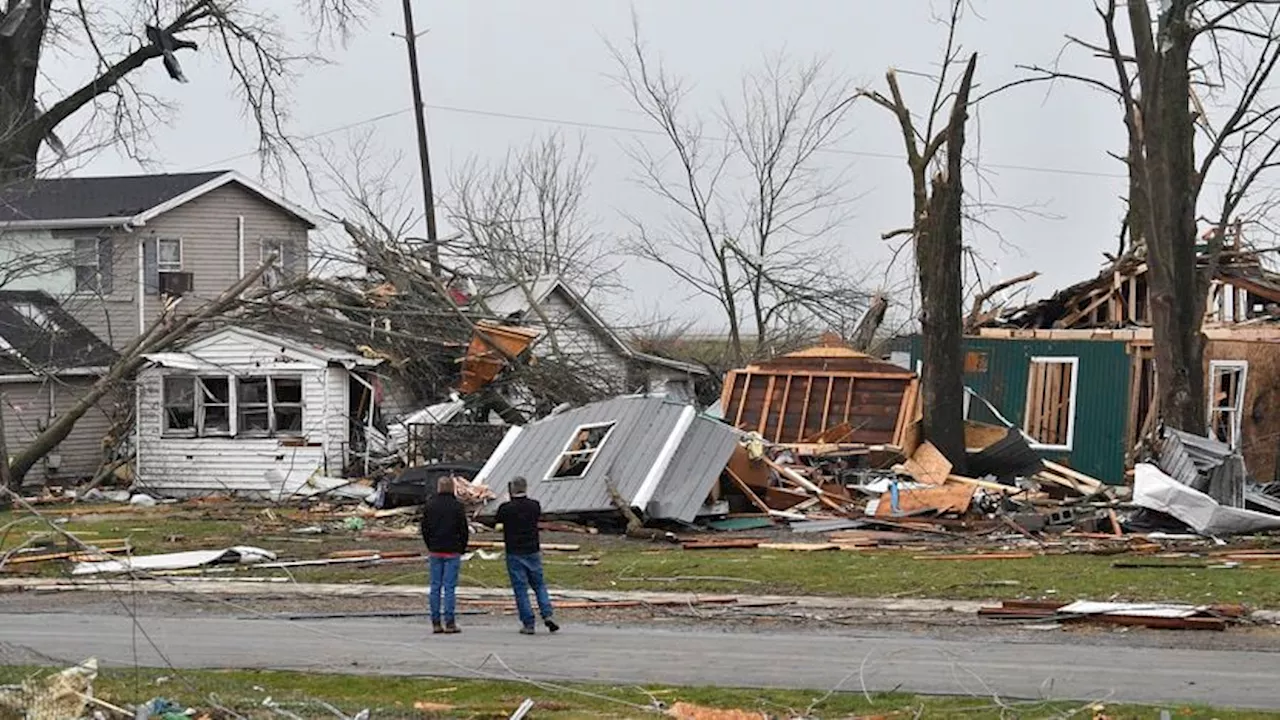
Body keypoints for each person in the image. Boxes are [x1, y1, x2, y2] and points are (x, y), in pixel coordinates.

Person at [495, 476, 559, 635]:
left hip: (514, 551)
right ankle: (547, 613)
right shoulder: (534, 505)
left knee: (520, 588)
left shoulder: (506, 508)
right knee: (539, 584)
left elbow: (497, 520)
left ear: (512, 489)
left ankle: (528, 622)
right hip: (532, 549)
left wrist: (506, 501)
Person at [420, 475, 469, 634]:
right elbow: (463, 529)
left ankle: (435, 621)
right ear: (452, 488)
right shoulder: (457, 506)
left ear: (438, 488)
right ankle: (450, 622)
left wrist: (430, 545)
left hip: (435, 549)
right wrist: (462, 547)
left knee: (435, 587)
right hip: (452, 550)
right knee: (449, 588)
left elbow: (424, 528)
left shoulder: (430, 505)